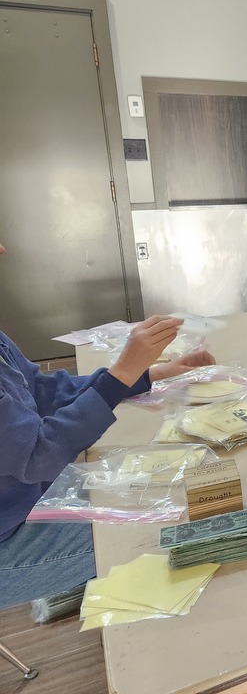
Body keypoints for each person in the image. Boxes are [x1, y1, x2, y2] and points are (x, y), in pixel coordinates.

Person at [1, 238, 215, 610]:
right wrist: (121, 374)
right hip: (11, 541)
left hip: (27, 500)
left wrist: (147, 374)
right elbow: (38, 457)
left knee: (157, 488)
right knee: (165, 524)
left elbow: (42, 390)